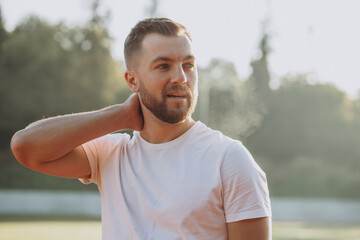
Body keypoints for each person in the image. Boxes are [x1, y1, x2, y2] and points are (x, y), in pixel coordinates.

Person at [11, 18, 272, 239]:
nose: (181, 77)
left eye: (188, 65)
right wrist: (121, 115)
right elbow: (26, 147)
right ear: (132, 81)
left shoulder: (229, 159)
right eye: (163, 66)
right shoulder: (110, 155)